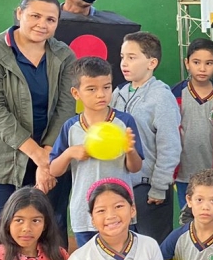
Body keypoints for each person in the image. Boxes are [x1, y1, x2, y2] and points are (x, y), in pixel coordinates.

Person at [0, 0, 75, 250]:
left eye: (51, 19)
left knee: (51, 240)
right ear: (19, 14)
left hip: (49, 158)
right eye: (35, 16)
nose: (42, 24)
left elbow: (66, 106)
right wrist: (38, 156)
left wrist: (48, 156)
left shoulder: (64, 55)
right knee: (6, 241)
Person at [48, 57, 143, 247]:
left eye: (106, 87)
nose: (101, 94)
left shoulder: (125, 122)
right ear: (76, 93)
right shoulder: (71, 126)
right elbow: (54, 170)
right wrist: (69, 153)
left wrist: (130, 151)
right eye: (92, 89)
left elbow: (135, 167)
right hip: (84, 213)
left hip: (119, 211)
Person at [112, 31, 181, 243]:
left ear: (152, 62)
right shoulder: (117, 93)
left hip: (149, 190)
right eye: (123, 57)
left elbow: (170, 146)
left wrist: (159, 187)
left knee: (153, 250)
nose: (125, 63)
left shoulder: (161, 97)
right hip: (119, 186)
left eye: (132, 57)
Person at [172, 38, 213, 207]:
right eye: (196, 62)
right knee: (188, 220)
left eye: (209, 63)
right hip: (184, 175)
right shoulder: (174, 94)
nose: (202, 68)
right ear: (187, 63)